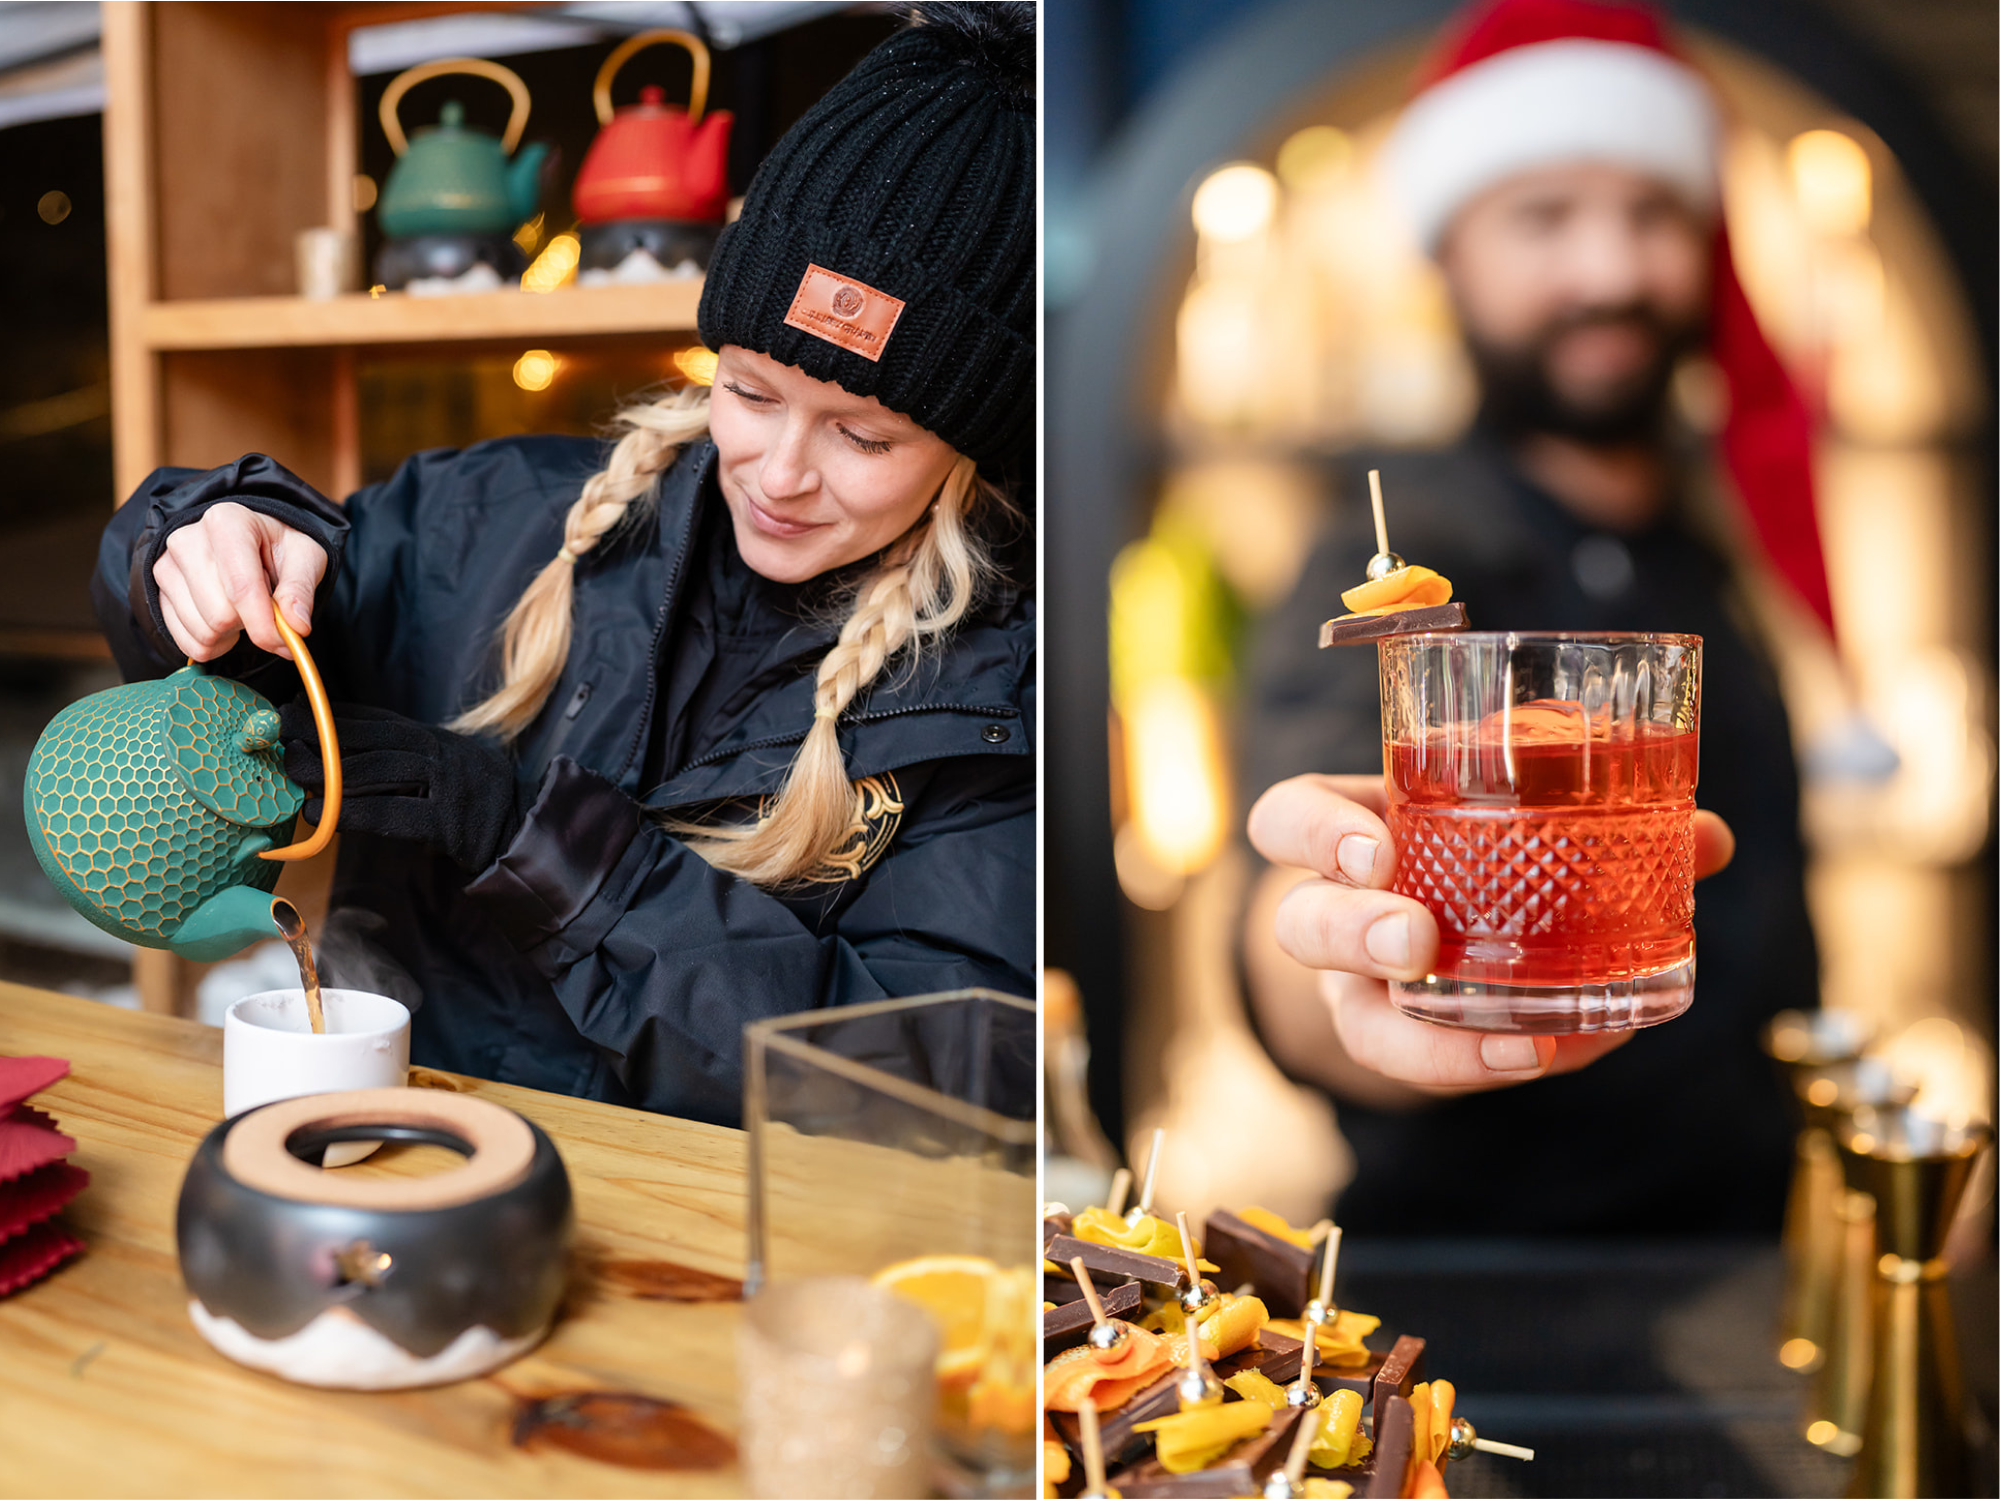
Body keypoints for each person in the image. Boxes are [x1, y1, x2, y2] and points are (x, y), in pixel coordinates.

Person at [91, 4, 1036, 1126]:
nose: (780, 474)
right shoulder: (492, 516)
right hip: (413, 1155)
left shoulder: (993, 702)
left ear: (968, 447)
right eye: (748, 391)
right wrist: (193, 550)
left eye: (862, 437)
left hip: (706, 1225)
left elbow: (924, 1093)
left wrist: (536, 841)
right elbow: (239, 644)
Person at [1238, 0, 1824, 1233]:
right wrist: (1339, 974)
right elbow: (1285, 903)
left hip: (1752, 1234)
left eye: (1650, 213)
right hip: (1482, 1266)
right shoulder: (1402, 560)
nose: (1609, 273)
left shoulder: (1707, 539)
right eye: (1543, 216)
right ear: (1447, 254)